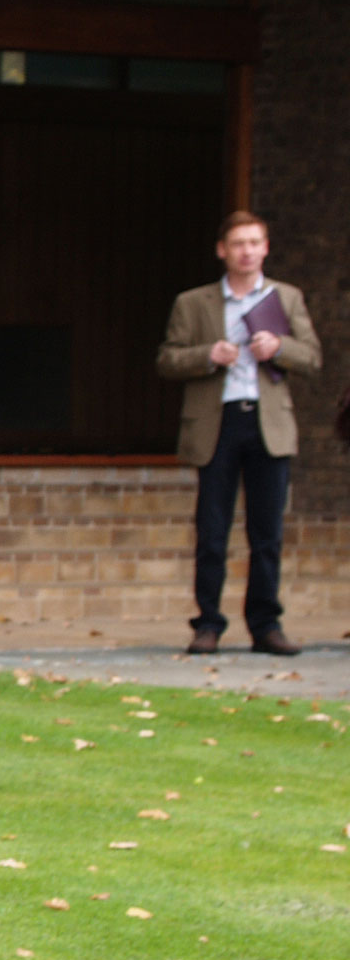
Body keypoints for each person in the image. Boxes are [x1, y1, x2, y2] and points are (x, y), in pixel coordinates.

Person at [156, 209, 320, 657]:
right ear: (222, 250)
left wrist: (280, 348)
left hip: (268, 423)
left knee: (267, 532)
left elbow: (312, 357)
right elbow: (168, 359)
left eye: (255, 242)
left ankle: (266, 625)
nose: (247, 251)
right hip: (218, 420)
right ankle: (208, 623)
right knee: (212, 530)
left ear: (265, 248)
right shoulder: (195, 303)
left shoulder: (286, 297)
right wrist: (208, 355)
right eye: (238, 243)